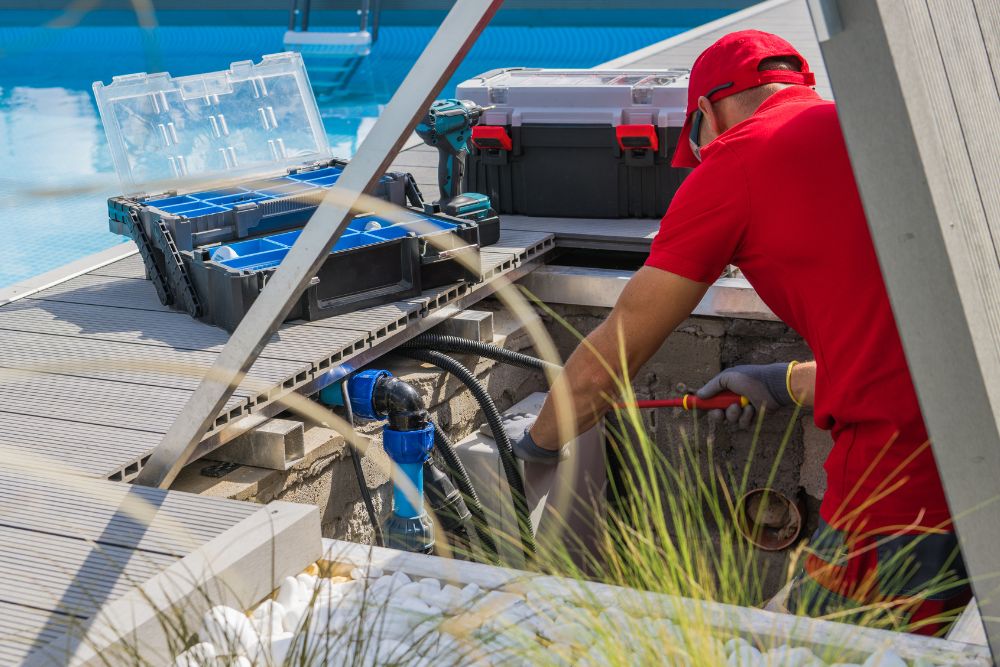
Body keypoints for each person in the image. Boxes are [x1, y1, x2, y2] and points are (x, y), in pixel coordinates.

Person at [511, 30, 970, 633]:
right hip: (972, 420)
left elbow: (614, 353)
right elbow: (899, 335)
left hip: (906, 470)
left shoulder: (737, 157)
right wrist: (781, 382)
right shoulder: (871, 127)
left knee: (807, 643)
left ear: (705, 113)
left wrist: (536, 445)